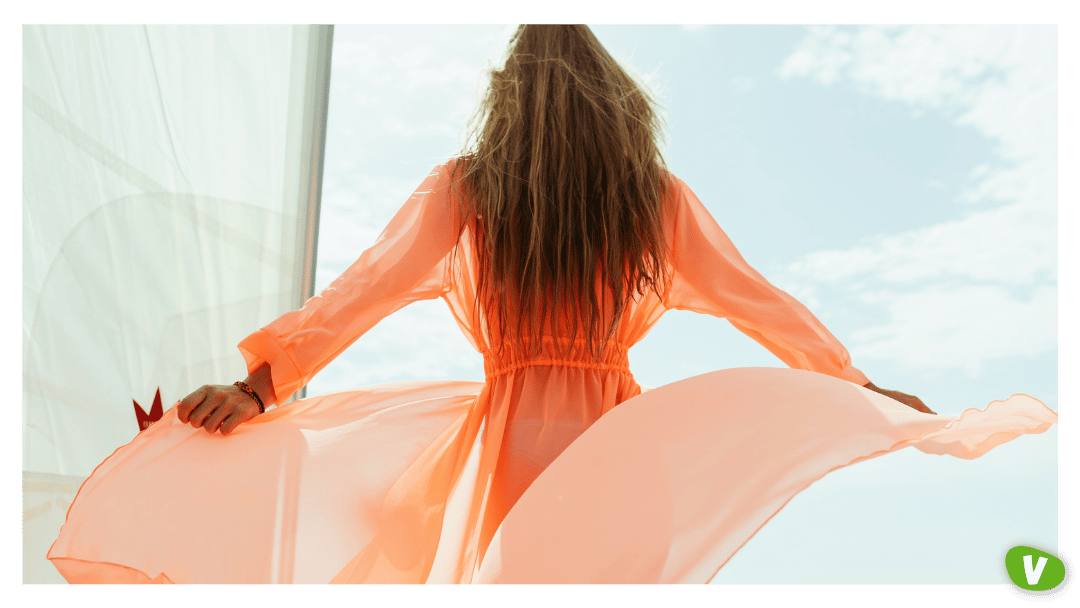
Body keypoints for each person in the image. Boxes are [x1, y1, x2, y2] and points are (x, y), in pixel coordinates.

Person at [48, 25, 1055, 585]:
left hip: (510, 439)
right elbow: (762, 303)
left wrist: (261, 384)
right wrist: (856, 386)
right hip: (624, 438)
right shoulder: (649, 199)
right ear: (617, 99)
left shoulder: (469, 186)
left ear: (506, 100)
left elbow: (360, 293)